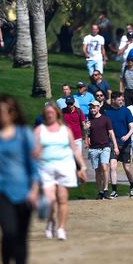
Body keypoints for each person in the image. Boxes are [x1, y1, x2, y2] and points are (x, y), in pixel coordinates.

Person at [0, 95, 39, 264]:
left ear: (14, 113)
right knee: (8, 232)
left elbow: (34, 167)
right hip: (0, 192)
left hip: (24, 191)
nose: (3, 114)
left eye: (8, 110)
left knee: (21, 238)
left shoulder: (24, 134)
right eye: (0, 111)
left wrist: (34, 191)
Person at [35, 103, 87, 241]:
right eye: (47, 112)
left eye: (52, 112)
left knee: (62, 199)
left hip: (64, 167)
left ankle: (61, 228)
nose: (50, 114)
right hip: (46, 168)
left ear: (57, 114)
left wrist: (82, 166)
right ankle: (50, 221)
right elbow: (33, 151)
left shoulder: (65, 130)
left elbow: (75, 149)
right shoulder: (40, 130)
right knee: (50, 199)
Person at [104, 92, 133, 198]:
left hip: (126, 143)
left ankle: (132, 187)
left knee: (127, 168)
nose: (122, 101)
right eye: (119, 99)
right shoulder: (107, 112)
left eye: (122, 99)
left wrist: (127, 136)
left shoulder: (126, 111)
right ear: (113, 100)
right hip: (113, 143)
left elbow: (132, 127)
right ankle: (114, 190)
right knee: (113, 166)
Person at [86, 100, 119, 200]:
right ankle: (100, 191)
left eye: (94, 107)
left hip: (105, 147)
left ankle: (105, 190)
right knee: (97, 171)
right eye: (91, 107)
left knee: (105, 167)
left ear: (98, 107)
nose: (93, 109)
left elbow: (111, 133)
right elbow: (86, 136)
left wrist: (116, 146)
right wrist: (85, 129)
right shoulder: (89, 121)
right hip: (93, 149)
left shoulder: (105, 119)